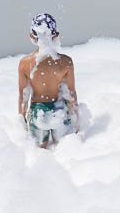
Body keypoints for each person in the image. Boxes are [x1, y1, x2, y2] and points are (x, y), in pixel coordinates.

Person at [17, 13, 79, 149]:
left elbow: (23, 97)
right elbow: (71, 94)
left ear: (31, 36)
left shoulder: (25, 63)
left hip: (38, 114)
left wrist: (22, 124)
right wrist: (76, 122)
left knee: (38, 153)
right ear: (56, 35)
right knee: (65, 150)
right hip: (59, 112)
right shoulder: (66, 62)